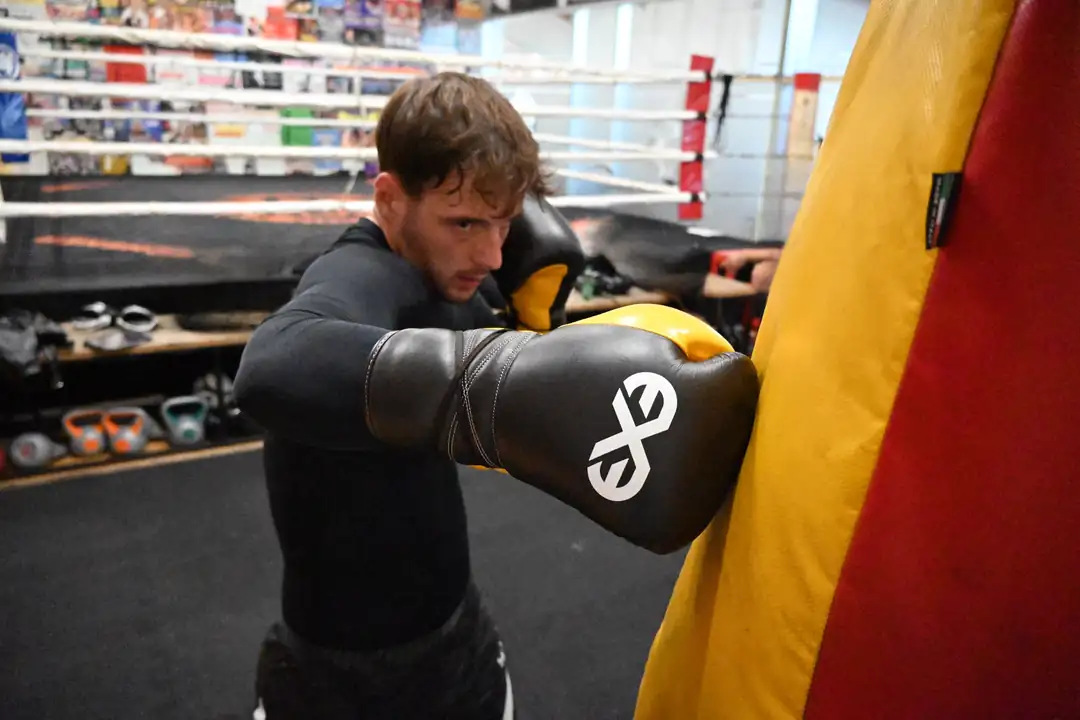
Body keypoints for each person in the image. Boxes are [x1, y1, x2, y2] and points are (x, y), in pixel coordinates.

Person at [235, 72, 760, 720]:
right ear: (389, 198)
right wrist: (490, 381)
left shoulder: (455, 273)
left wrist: (531, 332)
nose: (489, 253)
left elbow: (486, 333)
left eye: (504, 225)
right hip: (341, 671)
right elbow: (273, 364)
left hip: (456, 632)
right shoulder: (360, 274)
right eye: (463, 222)